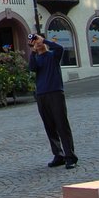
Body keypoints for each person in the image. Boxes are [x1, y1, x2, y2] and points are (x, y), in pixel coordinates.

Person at [28, 33, 78, 169]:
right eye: (35, 42)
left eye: (39, 41)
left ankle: (70, 156)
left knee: (62, 125)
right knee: (49, 126)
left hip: (55, 92)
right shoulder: (36, 58)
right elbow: (32, 68)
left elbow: (60, 48)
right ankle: (58, 154)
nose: (37, 44)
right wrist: (32, 52)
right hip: (41, 95)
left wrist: (44, 40)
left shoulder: (53, 56)